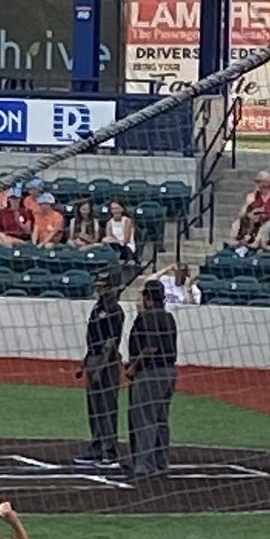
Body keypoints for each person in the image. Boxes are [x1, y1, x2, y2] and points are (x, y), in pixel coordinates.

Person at [125, 278, 178, 480]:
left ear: (147, 298)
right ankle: (159, 461)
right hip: (168, 372)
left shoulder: (147, 318)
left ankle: (143, 464)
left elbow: (150, 347)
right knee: (160, 419)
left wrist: (133, 367)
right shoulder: (168, 317)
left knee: (144, 418)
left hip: (150, 373)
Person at [73, 272, 125, 468]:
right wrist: (85, 364)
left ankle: (109, 451)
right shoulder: (97, 308)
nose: (100, 290)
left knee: (107, 407)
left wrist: (99, 368)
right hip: (95, 359)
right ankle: (96, 448)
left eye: (104, 286)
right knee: (95, 409)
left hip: (107, 362)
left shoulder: (115, 310)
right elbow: (92, 340)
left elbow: (111, 343)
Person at [102, 198, 137, 263]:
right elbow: (109, 237)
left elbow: (126, 240)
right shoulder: (109, 223)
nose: (115, 211)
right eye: (113, 209)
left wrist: (116, 240)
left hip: (126, 247)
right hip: (115, 246)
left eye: (117, 208)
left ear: (122, 209)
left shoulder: (127, 221)